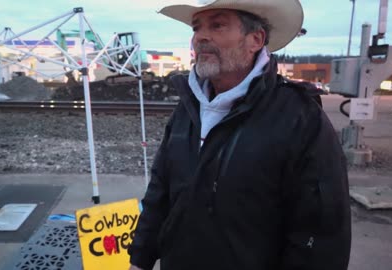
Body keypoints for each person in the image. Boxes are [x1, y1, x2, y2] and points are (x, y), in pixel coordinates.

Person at [129, 0, 351, 269]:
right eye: (196, 28)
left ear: (255, 39)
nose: (201, 37)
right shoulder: (188, 107)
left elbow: (320, 231)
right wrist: (139, 258)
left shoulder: (299, 117)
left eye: (218, 25)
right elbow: (160, 191)